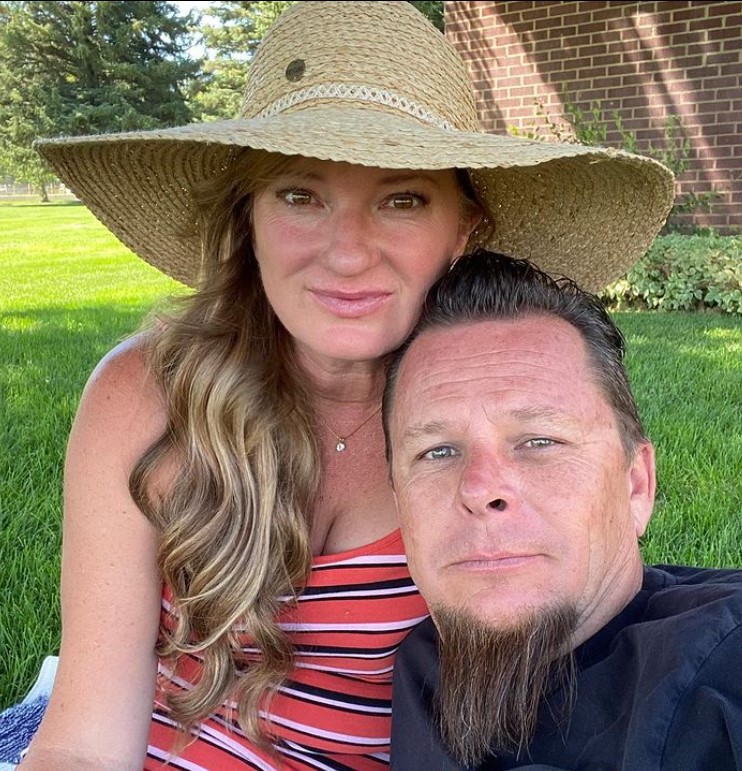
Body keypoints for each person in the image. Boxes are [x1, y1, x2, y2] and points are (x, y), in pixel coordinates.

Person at [17, 1, 674, 769]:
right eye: (300, 195)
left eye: (402, 199)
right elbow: (85, 742)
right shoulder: (146, 395)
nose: (349, 253)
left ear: (464, 226)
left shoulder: (494, 428)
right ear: (248, 218)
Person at [383, 249, 742, 771]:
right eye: (437, 451)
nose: (481, 488)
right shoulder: (420, 666)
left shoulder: (719, 670)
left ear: (636, 485)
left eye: (540, 440)